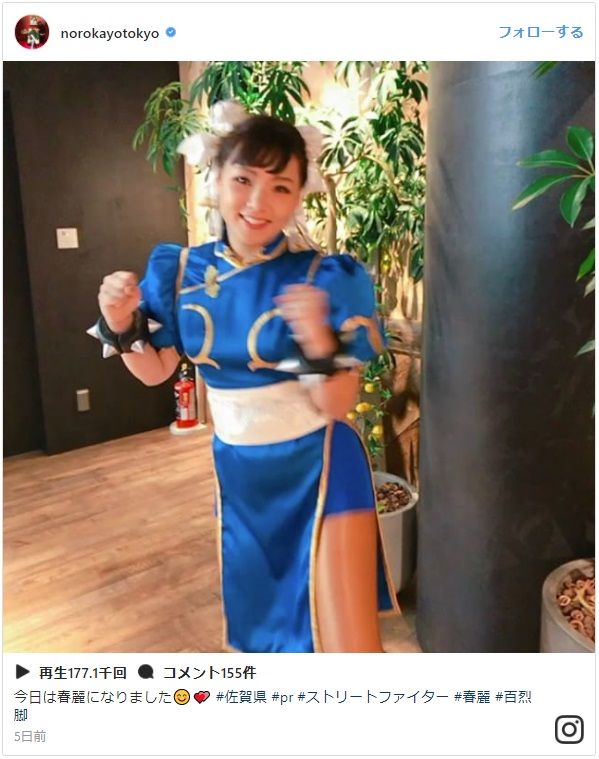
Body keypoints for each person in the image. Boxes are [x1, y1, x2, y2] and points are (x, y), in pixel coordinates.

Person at [90, 102, 399, 653]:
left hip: (323, 469)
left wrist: (318, 342)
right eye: (243, 180)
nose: (258, 203)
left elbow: (337, 404)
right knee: (267, 639)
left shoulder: (324, 276)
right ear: (216, 178)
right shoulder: (179, 271)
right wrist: (119, 322)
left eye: (281, 187)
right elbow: (156, 371)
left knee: (348, 644)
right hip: (241, 477)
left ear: (299, 195)